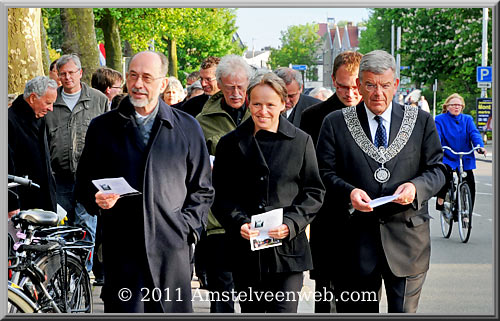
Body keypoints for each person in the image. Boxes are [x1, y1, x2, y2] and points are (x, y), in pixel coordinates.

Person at [74, 50, 214, 313]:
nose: (138, 84)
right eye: (133, 76)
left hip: (171, 252)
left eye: (147, 77)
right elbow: (84, 185)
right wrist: (97, 199)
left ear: (162, 84)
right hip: (123, 251)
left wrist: (186, 230)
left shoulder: (187, 127)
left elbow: (202, 190)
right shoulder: (102, 128)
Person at [316, 50, 446, 313]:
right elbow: (322, 173)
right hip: (353, 244)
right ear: (360, 85)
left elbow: (438, 169)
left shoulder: (420, 121)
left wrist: (416, 187)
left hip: (408, 242)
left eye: (385, 86)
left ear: (395, 84)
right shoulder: (335, 123)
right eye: (371, 85)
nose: (378, 93)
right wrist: (349, 192)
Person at [212, 72, 325, 313]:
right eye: (257, 104)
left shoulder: (301, 141)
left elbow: (314, 192)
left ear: (284, 104)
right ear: (248, 103)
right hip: (245, 252)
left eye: (270, 105)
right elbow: (220, 194)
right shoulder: (230, 144)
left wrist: (292, 224)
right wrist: (237, 222)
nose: (263, 111)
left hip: (288, 253)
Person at [299, 50, 363, 313]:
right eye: (342, 86)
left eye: (355, 86)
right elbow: (306, 171)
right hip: (328, 219)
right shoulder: (313, 116)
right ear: (333, 81)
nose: (349, 94)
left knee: (363, 295)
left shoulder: (375, 115)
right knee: (326, 296)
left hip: (366, 220)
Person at [195, 54, 253, 313]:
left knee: (254, 292)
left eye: (241, 86)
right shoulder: (203, 120)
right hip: (218, 218)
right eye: (229, 87)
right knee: (222, 293)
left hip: (256, 216)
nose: (236, 92)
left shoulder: (262, 112)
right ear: (220, 84)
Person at [44, 53, 110, 272]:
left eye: (71, 72)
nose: (67, 77)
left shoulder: (98, 100)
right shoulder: (52, 100)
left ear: (80, 73)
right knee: (62, 228)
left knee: (86, 226)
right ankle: (63, 274)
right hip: (59, 177)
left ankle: (83, 272)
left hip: (90, 178)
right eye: (62, 74)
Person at [8, 76, 58, 218]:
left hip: (44, 201)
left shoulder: (40, 118)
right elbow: (7, 168)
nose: (51, 108)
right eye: (48, 103)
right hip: (22, 204)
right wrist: (11, 204)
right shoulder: (9, 121)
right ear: (32, 98)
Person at [434, 93, 486, 212]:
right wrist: (437, 147)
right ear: (447, 107)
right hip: (447, 155)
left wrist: (479, 146)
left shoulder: (467, 119)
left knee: (470, 183)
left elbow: (474, 133)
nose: (457, 107)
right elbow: (437, 136)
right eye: (453, 105)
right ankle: (441, 198)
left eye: (459, 105)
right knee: (445, 176)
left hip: (464, 156)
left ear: (462, 107)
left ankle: (466, 213)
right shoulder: (440, 119)